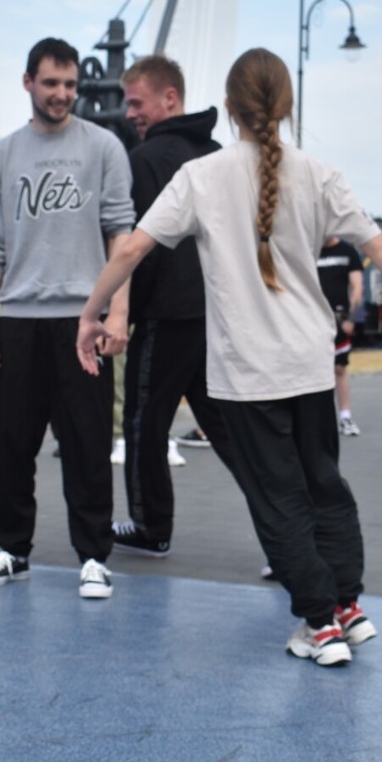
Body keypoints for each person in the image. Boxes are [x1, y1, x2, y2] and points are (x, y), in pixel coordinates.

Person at [78, 47, 382, 666]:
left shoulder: (202, 177)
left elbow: (131, 251)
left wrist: (92, 313)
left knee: (279, 497)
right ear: (286, 107)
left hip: (246, 374)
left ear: (228, 110)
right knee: (324, 485)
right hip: (307, 363)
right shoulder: (321, 174)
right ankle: (347, 607)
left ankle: (320, 624)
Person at [0, 36, 135, 599]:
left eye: (70, 85)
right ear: (28, 83)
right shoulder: (2, 154)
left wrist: (119, 311)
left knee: (88, 444)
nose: (62, 94)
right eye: (51, 84)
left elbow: (122, 233)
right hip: (17, 318)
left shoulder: (104, 147)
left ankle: (93, 556)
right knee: (13, 443)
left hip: (82, 321)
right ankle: (13, 550)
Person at [112, 53, 240, 558]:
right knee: (232, 432)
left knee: (144, 422)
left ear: (170, 98)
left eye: (136, 102)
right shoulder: (218, 156)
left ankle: (151, 527)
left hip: (166, 316)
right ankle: (285, 534)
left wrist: (125, 314)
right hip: (217, 316)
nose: (128, 113)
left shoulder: (145, 161)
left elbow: (140, 248)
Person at [317, 235, 365, 435]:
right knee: (315, 370)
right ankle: (318, 420)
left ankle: (345, 416)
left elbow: (357, 287)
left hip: (338, 317)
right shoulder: (309, 249)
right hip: (311, 317)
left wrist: (351, 317)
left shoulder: (348, 251)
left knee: (339, 368)